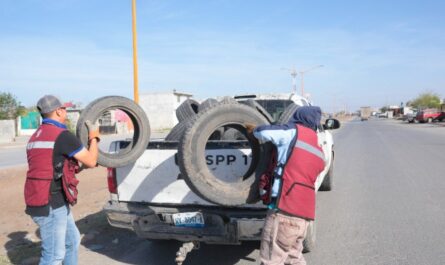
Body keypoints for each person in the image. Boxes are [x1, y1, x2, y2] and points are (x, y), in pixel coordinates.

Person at [24, 95, 100, 265]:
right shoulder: (62, 136)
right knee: (53, 257)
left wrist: (78, 168)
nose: (66, 111)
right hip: (50, 203)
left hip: (44, 199)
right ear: (58, 111)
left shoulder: (36, 136)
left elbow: (53, 168)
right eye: (64, 108)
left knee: (72, 241)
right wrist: (94, 137)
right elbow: (92, 160)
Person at [247, 106, 326, 265]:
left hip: (284, 211)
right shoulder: (319, 151)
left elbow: (264, 133)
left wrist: (254, 129)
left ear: (298, 118)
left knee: (271, 260)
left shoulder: (292, 132)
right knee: (293, 257)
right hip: (304, 217)